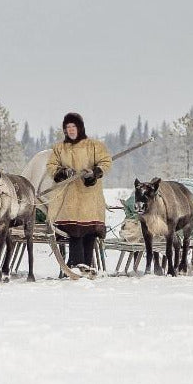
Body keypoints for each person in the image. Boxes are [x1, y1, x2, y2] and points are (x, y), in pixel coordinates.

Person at [46, 112, 112, 274]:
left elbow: (106, 162)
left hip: (90, 197)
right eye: (67, 127)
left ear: (80, 127)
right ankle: (76, 266)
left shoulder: (94, 146)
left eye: (73, 126)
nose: (70, 130)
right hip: (69, 198)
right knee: (74, 232)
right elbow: (51, 166)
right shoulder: (59, 148)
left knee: (89, 232)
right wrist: (62, 172)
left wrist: (94, 173)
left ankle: (85, 267)